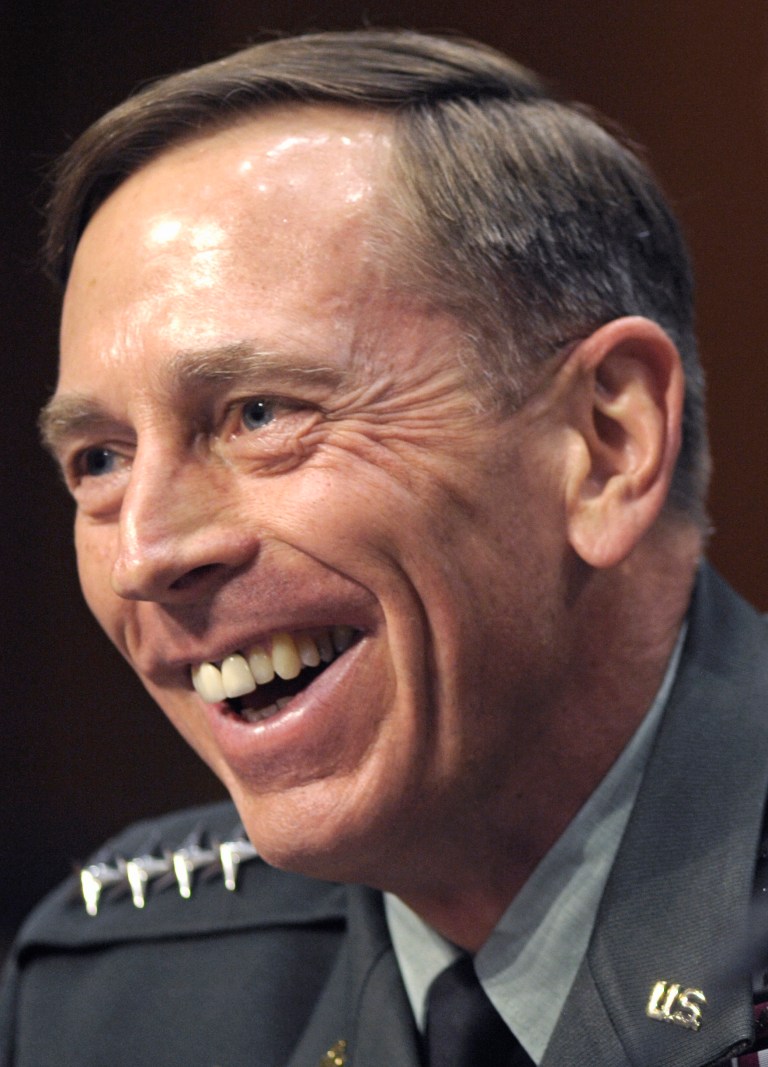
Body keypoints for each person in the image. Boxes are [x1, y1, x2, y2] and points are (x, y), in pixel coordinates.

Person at [2, 27, 767, 1067]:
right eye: (98, 459)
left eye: (258, 413)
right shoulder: (115, 1001)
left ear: (604, 443)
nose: (145, 550)